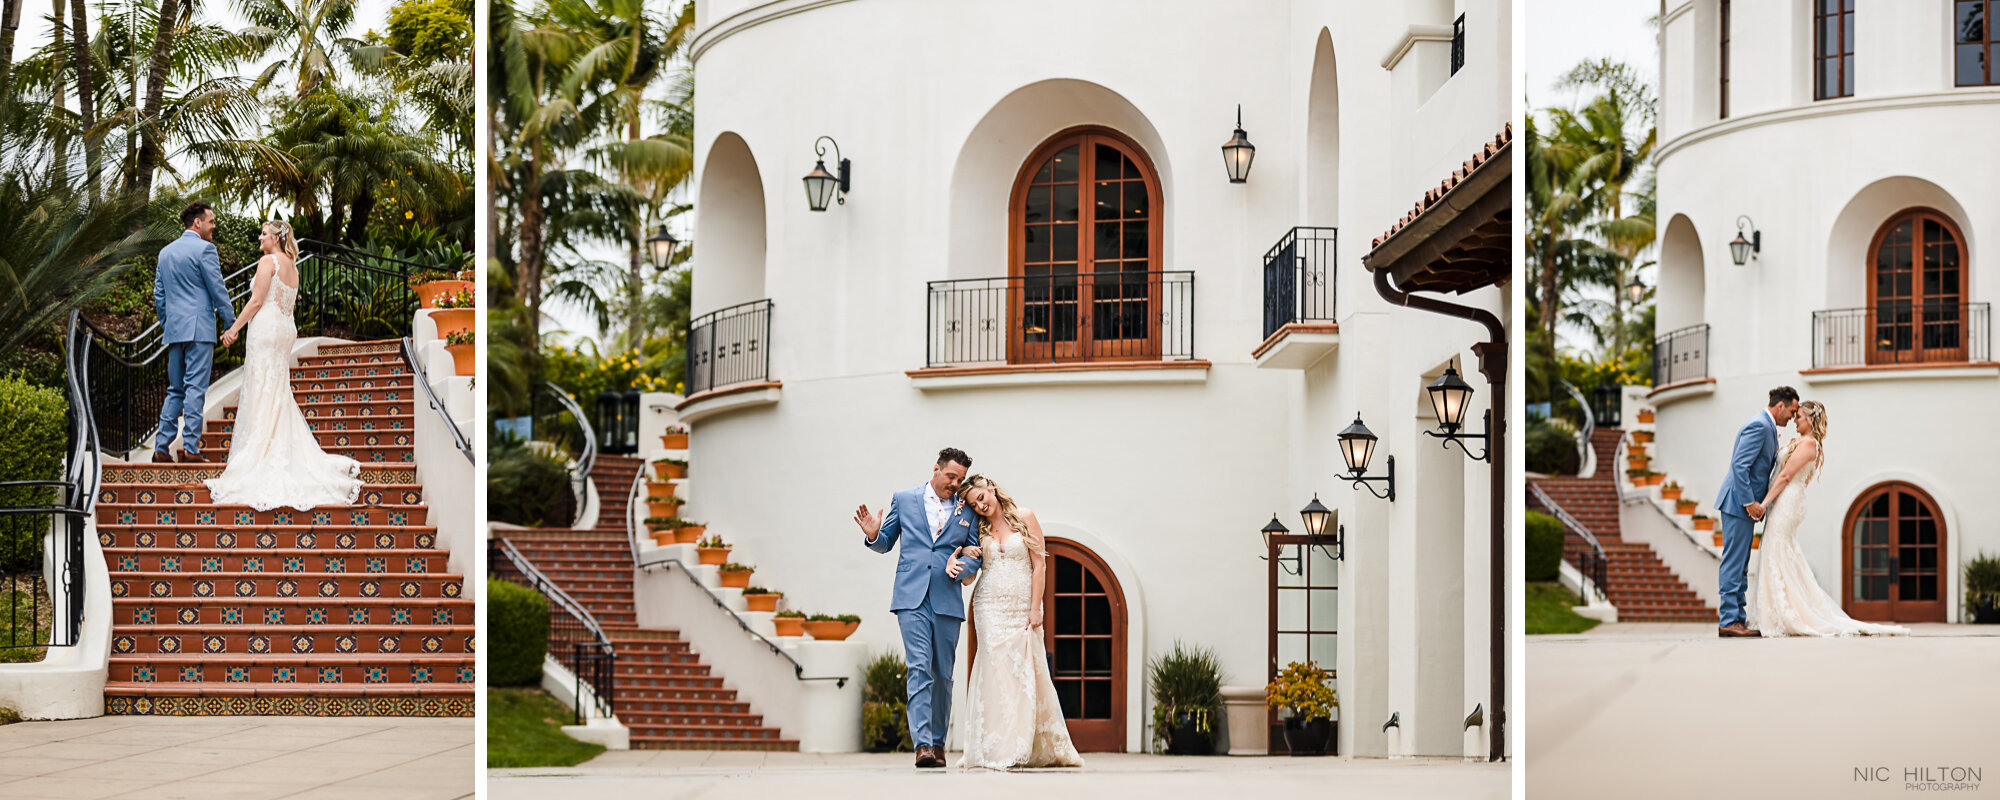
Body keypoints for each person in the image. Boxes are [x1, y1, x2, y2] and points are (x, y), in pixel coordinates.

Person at [203, 220, 363, 510]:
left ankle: (261, 451)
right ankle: (275, 444)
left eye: (264, 234)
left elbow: (255, 301)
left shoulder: (268, 261)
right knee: (275, 388)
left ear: (276, 238)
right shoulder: (293, 265)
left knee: (262, 387)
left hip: (266, 329)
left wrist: (233, 329)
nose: (260, 238)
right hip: (285, 329)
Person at [853, 448, 984, 768]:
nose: (955, 483)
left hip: (947, 599)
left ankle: (939, 742)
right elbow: (886, 541)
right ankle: (923, 744)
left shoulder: (967, 510)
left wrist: (963, 568)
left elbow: (975, 553)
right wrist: (873, 535)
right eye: (951, 476)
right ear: (936, 469)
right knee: (920, 667)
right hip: (911, 598)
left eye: (960, 479)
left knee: (943, 675)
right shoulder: (905, 499)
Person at [150, 203, 236, 463]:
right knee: (195, 389)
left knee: (175, 390)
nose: (213, 225)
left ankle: (161, 448)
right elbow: (217, 289)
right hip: (199, 330)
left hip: (175, 331)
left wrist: (169, 323)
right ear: (196, 223)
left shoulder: (165, 253)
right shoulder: (205, 249)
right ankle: (190, 449)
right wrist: (229, 322)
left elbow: (159, 295)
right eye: (210, 221)